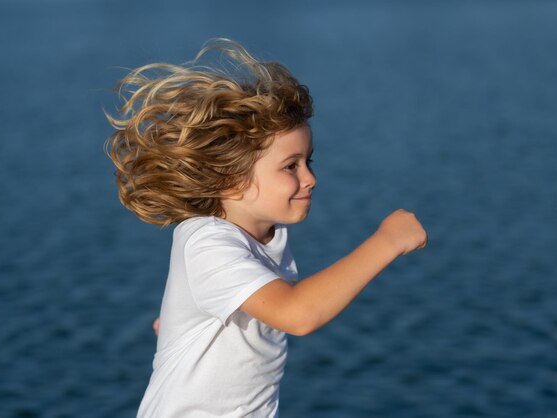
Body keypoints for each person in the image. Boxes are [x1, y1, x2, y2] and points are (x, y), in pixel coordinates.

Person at [105, 38, 427, 418]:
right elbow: (298, 314)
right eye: (291, 166)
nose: (310, 179)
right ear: (230, 180)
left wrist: (179, 326)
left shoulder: (266, 236)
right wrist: (386, 241)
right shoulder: (206, 241)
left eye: (309, 162)